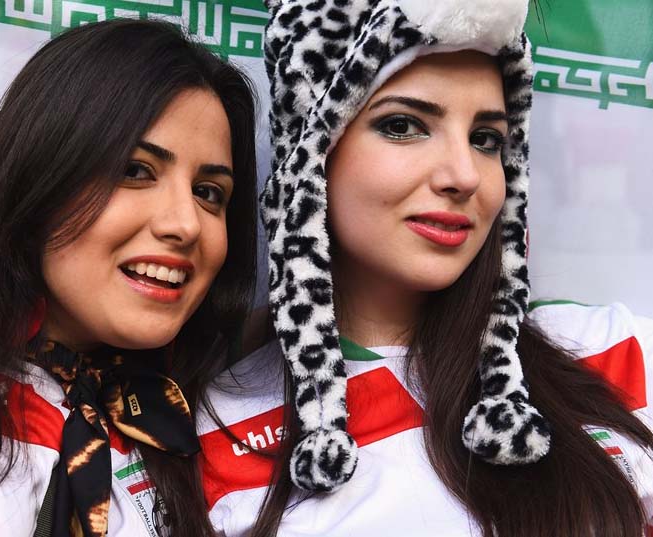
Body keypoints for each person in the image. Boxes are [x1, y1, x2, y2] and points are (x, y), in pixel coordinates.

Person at [197, 0, 653, 535]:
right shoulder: (216, 430)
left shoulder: (617, 355)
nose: (465, 175)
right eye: (403, 125)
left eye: (486, 140)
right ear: (311, 152)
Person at [0, 18, 257, 537]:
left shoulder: (195, 440)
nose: (185, 224)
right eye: (136, 170)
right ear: (43, 172)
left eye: (210, 192)